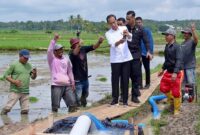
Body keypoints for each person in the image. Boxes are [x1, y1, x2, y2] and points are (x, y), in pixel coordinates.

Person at [105, 14, 133, 106]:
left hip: (126, 58)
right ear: (108, 24)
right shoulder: (108, 33)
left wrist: (127, 34)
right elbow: (113, 44)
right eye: (111, 23)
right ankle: (115, 99)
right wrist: (120, 41)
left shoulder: (123, 28)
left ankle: (125, 100)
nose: (113, 24)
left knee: (125, 79)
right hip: (115, 59)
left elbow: (130, 39)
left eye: (114, 22)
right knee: (115, 80)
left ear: (116, 20)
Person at [69, 36, 104, 107]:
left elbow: (94, 47)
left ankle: (83, 106)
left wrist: (99, 42)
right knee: (77, 97)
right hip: (77, 80)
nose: (77, 45)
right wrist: (79, 45)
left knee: (85, 94)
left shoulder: (83, 49)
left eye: (77, 43)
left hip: (85, 78)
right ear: (73, 46)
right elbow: (75, 53)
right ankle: (75, 108)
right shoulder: (71, 53)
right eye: (76, 44)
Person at [126, 11, 152, 103]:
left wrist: (149, 51)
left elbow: (146, 41)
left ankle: (134, 96)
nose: (127, 20)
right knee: (127, 75)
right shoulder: (125, 28)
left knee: (136, 75)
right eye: (127, 19)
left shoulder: (140, 29)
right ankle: (126, 95)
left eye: (129, 19)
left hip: (136, 54)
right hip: (126, 55)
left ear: (133, 18)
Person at [1, 49, 37, 115]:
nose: (26, 59)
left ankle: (23, 124)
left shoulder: (29, 65)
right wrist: (14, 81)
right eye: (25, 58)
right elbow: (5, 75)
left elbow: (33, 77)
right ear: (20, 56)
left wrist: (35, 73)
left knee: (25, 111)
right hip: (15, 90)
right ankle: (3, 119)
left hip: (25, 91)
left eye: (28, 58)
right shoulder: (14, 64)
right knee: (7, 109)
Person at [47, 33, 77, 113]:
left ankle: (71, 119)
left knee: (73, 104)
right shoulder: (52, 59)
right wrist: (54, 39)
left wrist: (73, 82)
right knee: (55, 107)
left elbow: (70, 71)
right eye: (59, 50)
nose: (61, 51)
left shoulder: (66, 59)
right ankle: (54, 119)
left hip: (67, 85)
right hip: (56, 85)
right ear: (55, 52)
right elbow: (49, 50)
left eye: (62, 49)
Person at [158, 28, 184, 115]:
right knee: (163, 87)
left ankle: (177, 109)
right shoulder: (167, 46)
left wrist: (175, 72)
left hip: (176, 72)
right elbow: (167, 60)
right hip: (168, 71)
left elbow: (179, 60)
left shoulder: (177, 47)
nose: (165, 37)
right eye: (165, 35)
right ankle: (172, 101)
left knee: (176, 91)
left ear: (172, 36)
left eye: (167, 35)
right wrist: (162, 69)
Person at [135, 16, 154, 89]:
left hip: (146, 53)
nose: (138, 24)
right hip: (138, 54)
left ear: (142, 22)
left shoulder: (147, 30)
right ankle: (140, 84)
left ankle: (148, 83)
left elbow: (150, 42)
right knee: (138, 70)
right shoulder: (135, 31)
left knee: (147, 68)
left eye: (139, 22)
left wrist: (150, 52)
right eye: (137, 23)